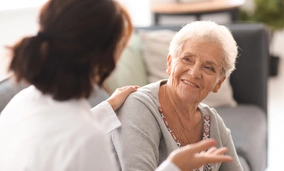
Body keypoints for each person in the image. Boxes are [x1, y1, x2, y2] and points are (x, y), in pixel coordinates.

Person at [0, 0, 233, 171]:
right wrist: (173, 167)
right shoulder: (87, 137)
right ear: (107, 58)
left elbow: (57, 135)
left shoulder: (22, 102)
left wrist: (105, 109)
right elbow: (72, 139)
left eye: (209, 68)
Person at [110, 21, 243, 171]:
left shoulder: (213, 123)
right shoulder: (138, 107)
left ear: (219, 83)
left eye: (208, 68)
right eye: (187, 59)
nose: (194, 73)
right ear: (169, 63)